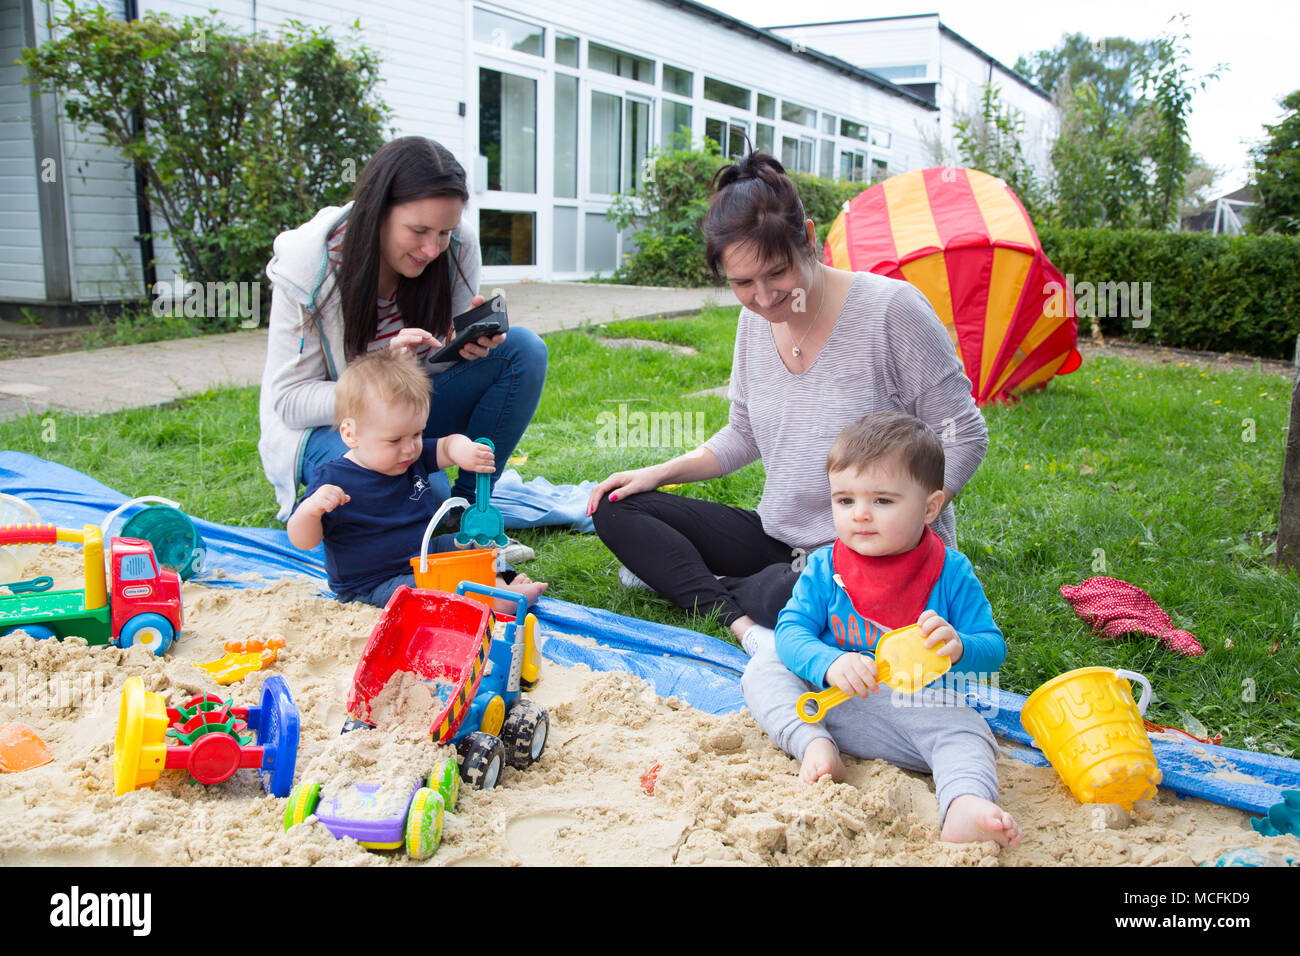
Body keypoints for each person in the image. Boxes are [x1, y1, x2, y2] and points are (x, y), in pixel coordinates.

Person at [587, 152, 987, 654]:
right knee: (617, 508)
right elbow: (744, 434)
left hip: (871, 550)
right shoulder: (754, 322)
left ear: (810, 239)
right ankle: (741, 617)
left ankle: (701, 584)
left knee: (785, 591)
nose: (764, 298)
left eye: (776, 273)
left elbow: (965, 434)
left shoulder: (891, 310)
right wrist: (657, 473)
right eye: (741, 283)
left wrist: (906, 521)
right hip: (781, 536)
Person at [743, 412, 1020, 846]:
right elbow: (792, 631)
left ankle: (965, 804)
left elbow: (993, 648)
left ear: (930, 507)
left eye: (883, 501)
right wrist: (829, 662)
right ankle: (814, 747)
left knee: (967, 732)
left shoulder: (950, 571)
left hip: (918, 710)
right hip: (827, 700)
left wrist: (960, 646)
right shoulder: (825, 565)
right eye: (845, 500)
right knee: (764, 668)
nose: (861, 516)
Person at [258, 136, 547, 528]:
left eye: (443, 232)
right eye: (418, 230)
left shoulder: (458, 245)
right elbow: (290, 401)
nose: (432, 249)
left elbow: (431, 368)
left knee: (522, 350)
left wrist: (457, 349)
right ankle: (436, 507)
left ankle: (468, 513)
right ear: (378, 212)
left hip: (411, 416)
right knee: (423, 503)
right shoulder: (311, 265)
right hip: (335, 430)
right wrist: (380, 381)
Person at [287, 349, 546, 610]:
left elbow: (446, 447)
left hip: (423, 555)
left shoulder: (412, 457)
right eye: (395, 440)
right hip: (373, 585)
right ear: (351, 434)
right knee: (431, 591)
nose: (410, 448)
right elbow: (303, 540)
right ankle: (494, 600)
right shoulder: (333, 478)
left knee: (469, 542)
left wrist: (462, 450)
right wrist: (311, 510)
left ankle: (502, 582)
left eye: (417, 434)